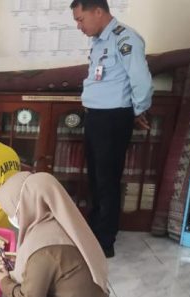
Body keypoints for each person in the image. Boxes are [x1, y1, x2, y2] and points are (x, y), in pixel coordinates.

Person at [71, 0, 153, 257]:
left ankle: (104, 242)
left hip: (113, 119)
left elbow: (140, 79)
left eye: (80, 19)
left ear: (98, 11)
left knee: (107, 180)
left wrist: (136, 111)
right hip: (96, 116)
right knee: (95, 178)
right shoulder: (98, 41)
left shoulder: (125, 38)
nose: (78, 26)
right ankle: (95, 231)